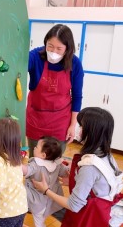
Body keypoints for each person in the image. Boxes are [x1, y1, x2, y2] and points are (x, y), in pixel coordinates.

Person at [32, 107, 123, 227]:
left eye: (81, 126)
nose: (78, 129)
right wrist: (73, 181)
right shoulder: (105, 155)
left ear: (91, 132)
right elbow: (97, 187)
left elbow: (75, 205)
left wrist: (45, 190)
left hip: (96, 219)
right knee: (52, 206)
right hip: (102, 211)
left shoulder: (89, 166)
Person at [26, 24, 84, 157]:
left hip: (60, 121)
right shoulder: (36, 57)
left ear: (67, 49)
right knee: (35, 161)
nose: (53, 52)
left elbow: (77, 97)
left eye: (59, 48)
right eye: (50, 46)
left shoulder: (75, 64)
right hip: (36, 119)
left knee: (55, 163)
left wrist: (72, 124)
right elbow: (18, 64)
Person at [22, 136, 69, 227]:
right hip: (51, 201)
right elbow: (65, 172)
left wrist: (14, 163)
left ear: (43, 155)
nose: (34, 148)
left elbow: (25, 171)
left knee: (39, 223)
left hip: (37, 201)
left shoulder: (35, 164)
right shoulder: (57, 164)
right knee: (44, 221)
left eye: (37, 147)